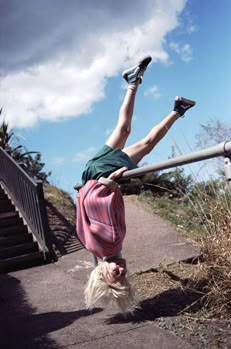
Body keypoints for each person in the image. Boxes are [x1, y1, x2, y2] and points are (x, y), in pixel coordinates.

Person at [76, 55, 196, 312]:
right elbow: (84, 208)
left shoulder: (108, 244)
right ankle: (178, 110)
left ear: (100, 272)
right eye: (123, 275)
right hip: (95, 176)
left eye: (114, 273)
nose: (122, 270)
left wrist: (107, 183)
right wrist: (102, 184)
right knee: (145, 144)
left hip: (101, 175)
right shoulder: (99, 247)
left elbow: (94, 203)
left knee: (125, 130)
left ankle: (133, 81)